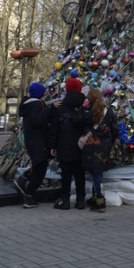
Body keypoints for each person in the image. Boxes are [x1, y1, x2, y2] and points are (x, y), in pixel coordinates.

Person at [49, 77, 87, 210]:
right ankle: (80, 200)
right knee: (79, 174)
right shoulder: (84, 107)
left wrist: (53, 145)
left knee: (65, 174)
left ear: (67, 89)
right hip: (80, 147)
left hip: (63, 145)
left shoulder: (60, 107)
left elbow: (54, 128)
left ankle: (64, 200)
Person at [79, 87, 119, 212]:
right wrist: (110, 142)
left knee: (96, 174)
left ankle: (100, 201)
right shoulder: (109, 112)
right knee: (97, 172)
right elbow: (115, 131)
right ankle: (95, 197)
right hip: (104, 146)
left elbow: (80, 125)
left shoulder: (86, 113)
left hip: (90, 147)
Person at [14, 82, 53, 209]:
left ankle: (23, 179)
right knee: (41, 167)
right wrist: (48, 109)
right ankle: (29, 196)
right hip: (37, 142)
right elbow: (38, 120)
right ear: (40, 93)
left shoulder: (29, 104)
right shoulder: (35, 105)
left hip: (33, 141)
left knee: (39, 165)